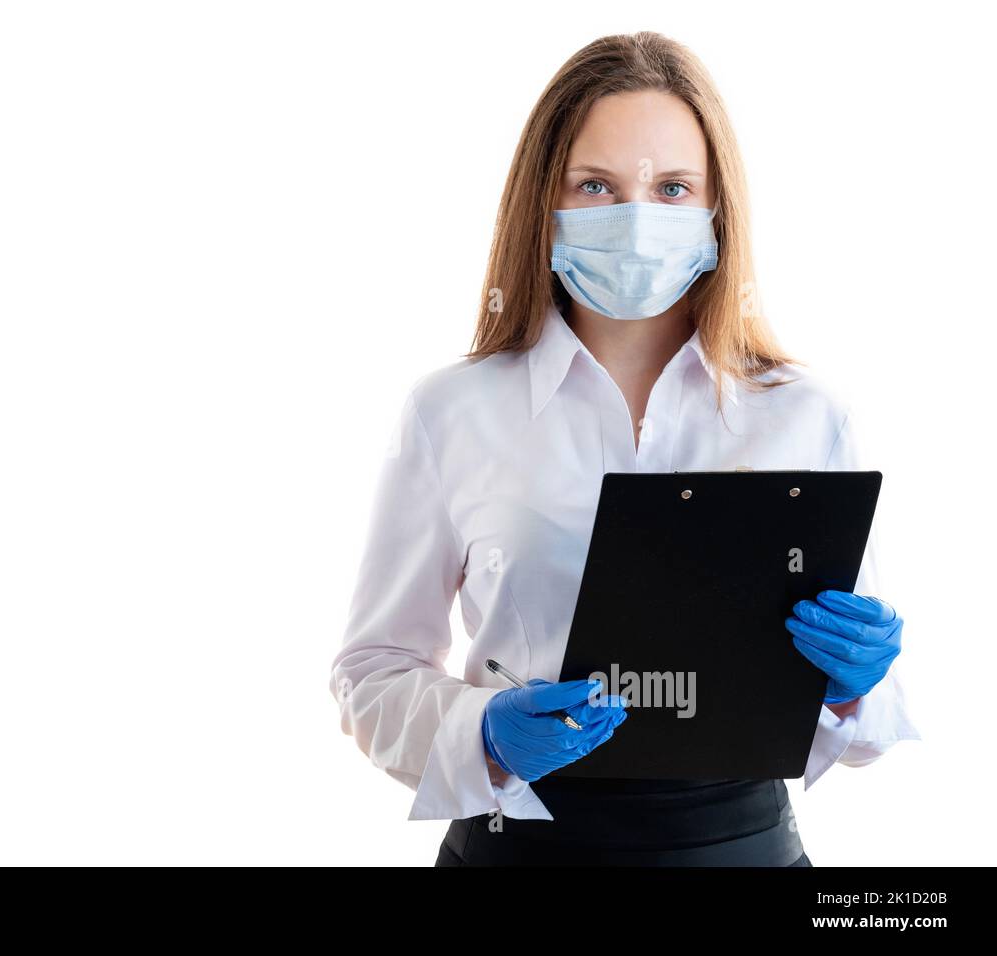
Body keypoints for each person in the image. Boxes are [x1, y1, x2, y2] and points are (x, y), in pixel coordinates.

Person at [328, 31, 919, 866]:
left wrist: (861, 686)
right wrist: (483, 733)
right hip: (521, 846)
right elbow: (371, 670)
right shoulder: (451, 412)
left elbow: (862, 735)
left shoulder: (807, 414)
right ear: (547, 201)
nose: (637, 222)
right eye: (596, 186)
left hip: (739, 848)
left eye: (673, 187)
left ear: (718, 209)